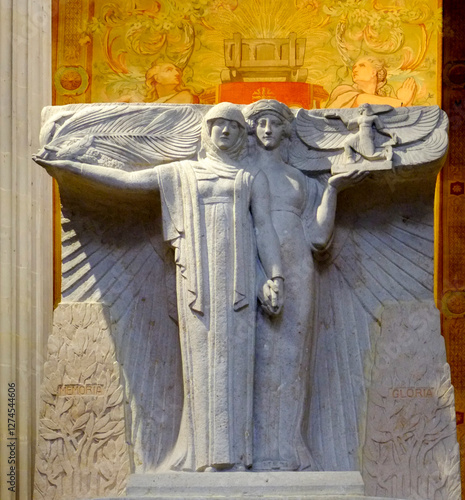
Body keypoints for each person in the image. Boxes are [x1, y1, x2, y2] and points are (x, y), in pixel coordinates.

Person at [33, 102, 283, 472]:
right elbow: (128, 182)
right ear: (207, 131)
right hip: (197, 282)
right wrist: (71, 168)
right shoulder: (183, 173)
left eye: (232, 126)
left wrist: (274, 277)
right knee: (200, 362)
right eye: (218, 125)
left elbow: (264, 228)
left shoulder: (249, 180)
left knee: (236, 363)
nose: (225, 132)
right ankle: (203, 456)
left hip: (240, 284)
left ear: (241, 135)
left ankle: (239, 455)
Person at [243, 99, 366, 471]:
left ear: (285, 131)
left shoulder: (300, 179)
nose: (267, 130)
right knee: (260, 356)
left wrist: (333, 189)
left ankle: (290, 448)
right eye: (260, 123)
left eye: (274, 124)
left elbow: (318, 237)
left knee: (293, 357)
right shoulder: (242, 174)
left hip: (299, 265)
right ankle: (257, 451)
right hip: (257, 263)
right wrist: (260, 276)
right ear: (253, 129)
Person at [326, 56, 417, 109]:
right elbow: (362, 100)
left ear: (374, 72)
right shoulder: (344, 90)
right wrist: (403, 101)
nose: (355, 70)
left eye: (362, 66)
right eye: (354, 67)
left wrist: (408, 104)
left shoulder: (383, 100)